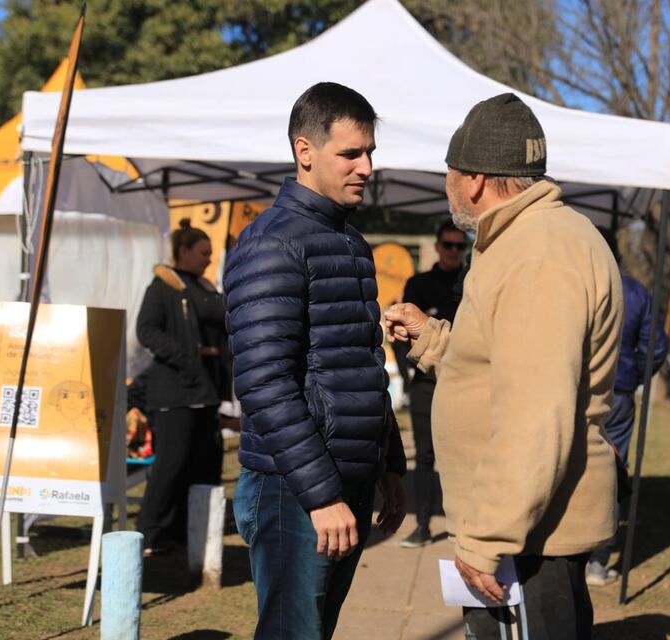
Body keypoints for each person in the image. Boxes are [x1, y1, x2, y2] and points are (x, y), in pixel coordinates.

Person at [384, 93, 623, 639]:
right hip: (523, 527)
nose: (446, 187)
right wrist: (432, 340)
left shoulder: (537, 252)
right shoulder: (525, 240)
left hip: (527, 537)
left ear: (472, 180)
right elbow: (502, 365)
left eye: (447, 175)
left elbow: (536, 413)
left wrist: (486, 538)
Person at [223, 82, 407, 640]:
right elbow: (264, 382)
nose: (365, 167)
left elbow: (363, 366)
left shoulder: (350, 242)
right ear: (305, 151)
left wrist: (390, 463)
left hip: (342, 478)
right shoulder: (271, 243)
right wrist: (321, 495)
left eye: (369, 152)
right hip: (293, 490)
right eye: (350, 153)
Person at [135, 219, 230, 555]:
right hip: (175, 389)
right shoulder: (163, 287)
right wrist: (185, 358)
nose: (209, 259)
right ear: (184, 251)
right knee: (171, 463)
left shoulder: (204, 288)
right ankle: (150, 532)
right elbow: (146, 330)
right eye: (203, 253)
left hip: (206, 390)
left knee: (203, 462)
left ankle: (185, 532)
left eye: (210, 253)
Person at [586, 272, 669, 586]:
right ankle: (598, 561)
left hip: (574, 388)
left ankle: (569, 553)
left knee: (568, 465)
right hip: (618, 390)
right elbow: (655, 349)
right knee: (612, 469)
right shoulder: (634, 291)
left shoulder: (571, 277)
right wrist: (633, 376)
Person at [399, 220, 466, 548]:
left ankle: (465, 525)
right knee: (424, 455)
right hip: (426, 381)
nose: (454, 251)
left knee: (465, 455)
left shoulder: (472, 283)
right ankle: (423, 524)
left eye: (459, 246)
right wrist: (409, 373)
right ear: (438, 247)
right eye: (448, 245)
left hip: (464, 382)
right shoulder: (419, 284)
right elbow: (402, 333)